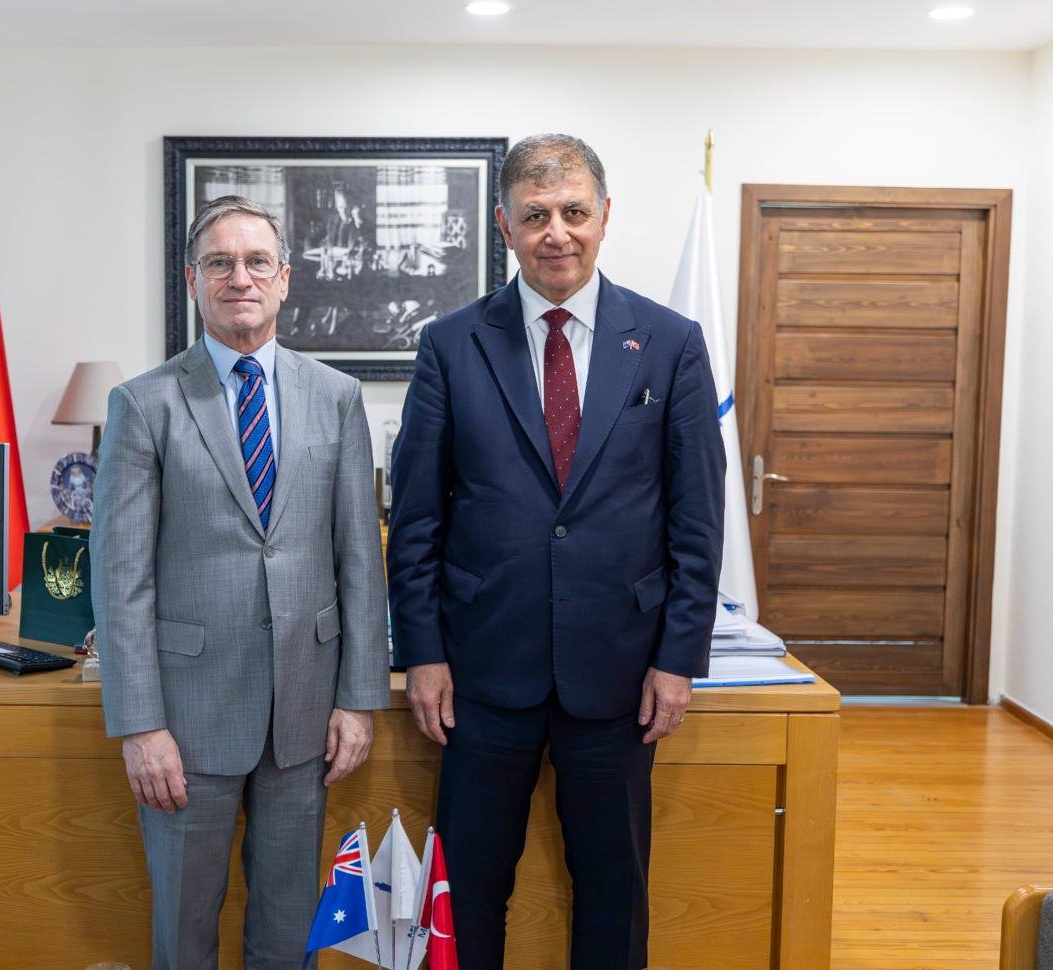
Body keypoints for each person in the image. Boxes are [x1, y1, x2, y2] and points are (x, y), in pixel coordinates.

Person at [388, 134, 726, 970]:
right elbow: (418, 517)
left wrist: (678, 657)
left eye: (574, 212)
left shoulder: (671, 342)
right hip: (481, 674)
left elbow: (697, 519)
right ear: (504, 225)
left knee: (613, 892)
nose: (557, 233)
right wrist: (422, 653)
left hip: (621, 675)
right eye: (535, 215)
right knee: (465, 894)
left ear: (605, 216)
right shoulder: (451, 343)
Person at [92, 194, 389, 969]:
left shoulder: (336, 397)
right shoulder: (144, 404)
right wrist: (140, 726)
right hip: (185, 723)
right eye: (219, 262)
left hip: (305, 717)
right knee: (184, 932)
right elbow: (121, 582)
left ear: (285, 278)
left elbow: (360, 560)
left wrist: (359, 699)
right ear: (193, 279)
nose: (240, 277)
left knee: (289, 934)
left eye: (257, 261)